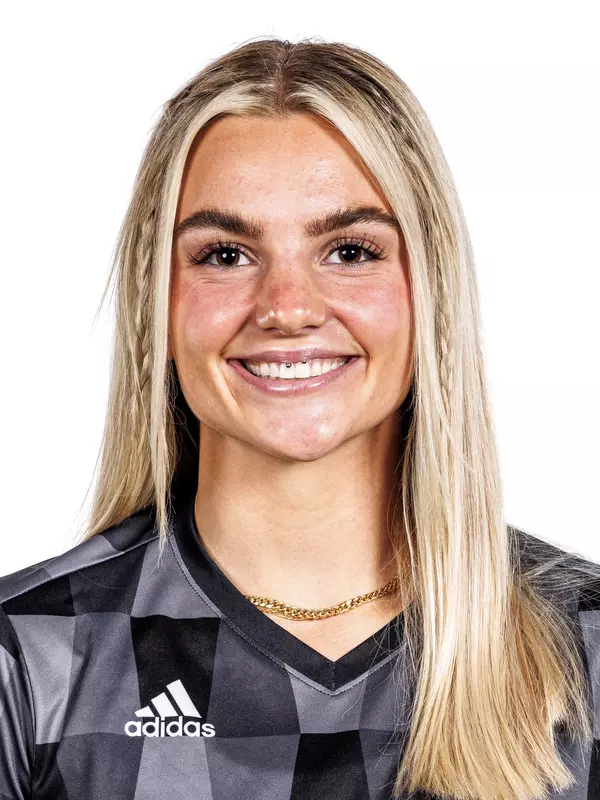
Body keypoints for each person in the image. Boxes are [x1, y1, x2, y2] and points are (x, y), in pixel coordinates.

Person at [1, 36, 599, 800]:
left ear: (432, 290)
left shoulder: (585, 646)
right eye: (226, 255)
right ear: (159, 303)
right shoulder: (29, 660)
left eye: (349, 251)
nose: (287, 308)